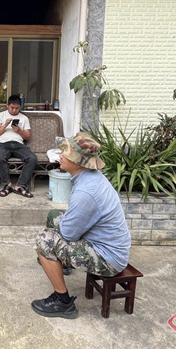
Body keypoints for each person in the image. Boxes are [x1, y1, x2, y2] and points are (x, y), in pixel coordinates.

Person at [31, 133, 131, 319]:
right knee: (54, 215)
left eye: (66, 153)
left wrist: (60, 233)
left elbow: (68, 233)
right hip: (104, 243)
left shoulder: (87, 190)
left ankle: (63, 302)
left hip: (108, 258)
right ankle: (62, 264)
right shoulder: (89, 177)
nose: (60, 155)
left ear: (78, 161)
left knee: (44, 242)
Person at [0, 94, 37, 198]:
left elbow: (28, 137)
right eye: (12, 107)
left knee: (32, 158)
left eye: (17, 108)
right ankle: (7, 185)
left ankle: (20, 186)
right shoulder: (1, 116)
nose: (14, 110)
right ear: (7, 105)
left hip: (18, 144)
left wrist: (19, 131)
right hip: (4, 143)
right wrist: (5, 125)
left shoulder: (24, 118)